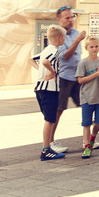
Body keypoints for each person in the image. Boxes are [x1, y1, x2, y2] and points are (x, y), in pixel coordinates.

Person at [52, 6, 86, 149]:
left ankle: (88, 140)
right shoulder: (56, 36)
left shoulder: (75, 33)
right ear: (58, 20)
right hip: (63, 78)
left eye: (72, 17)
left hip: (77, 77)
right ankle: (50, 142)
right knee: (58, 110)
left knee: (86, 106)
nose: (71, 20)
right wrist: (77, 40)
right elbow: (66, 56)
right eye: (67, 18)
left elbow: (78, 57)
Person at [35, 23, 67, 161]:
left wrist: (42, 73)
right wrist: (52, 72)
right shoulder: (56, 51)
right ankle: (46, 150)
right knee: (49, 120)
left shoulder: (45, 49)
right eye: (64, 37)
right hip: (50, 90)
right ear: (60, 38)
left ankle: (47, 147)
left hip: (40, 89)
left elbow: (31, 60)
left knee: (49, 119)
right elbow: (46, 62)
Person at [77, 37, 99, 158]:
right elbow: (80, 80)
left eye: (96, 46)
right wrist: (95, 74)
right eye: (91, 47)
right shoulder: (83, 63)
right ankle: (87, 146)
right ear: (86, 48)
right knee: (86, 123)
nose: (94, 49)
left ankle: (93, 137)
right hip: (86, 97)